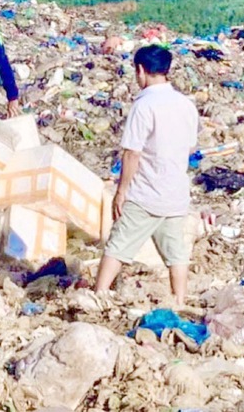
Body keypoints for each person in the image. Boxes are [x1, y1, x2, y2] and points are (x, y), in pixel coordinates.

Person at [94, 45, 199, 306]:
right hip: (176, 193)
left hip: (145, 194)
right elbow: (191, 147)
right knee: (176, 253)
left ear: (141, 71)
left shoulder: (144, 106)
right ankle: (180, 301)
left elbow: (132, 154)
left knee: (118, 246)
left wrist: (121, 191)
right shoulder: (186, 105)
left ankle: (99, 296)